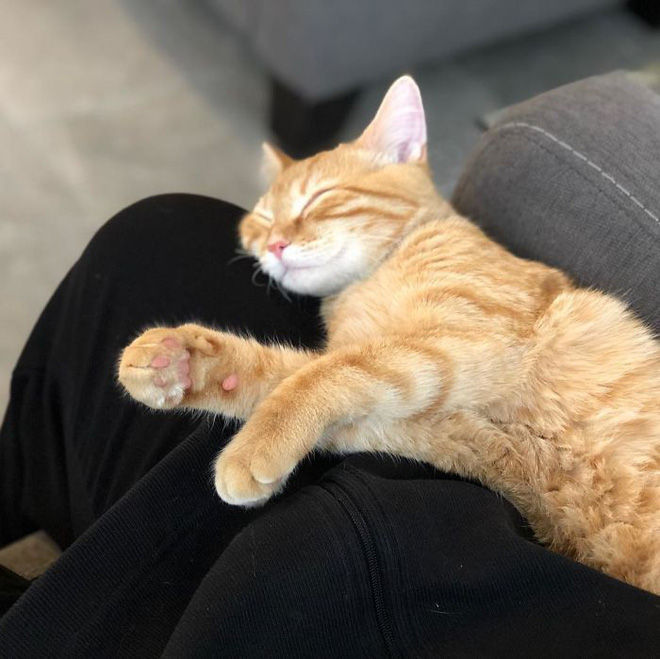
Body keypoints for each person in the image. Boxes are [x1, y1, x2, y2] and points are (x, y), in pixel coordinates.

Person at [1, 73, 659, 656]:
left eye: (315, 205)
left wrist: (296, 401)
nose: (278, 241)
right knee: (152, 240)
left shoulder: (444, 248)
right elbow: (441, 430)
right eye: (263, 225)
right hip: (559, 516)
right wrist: (233, 375)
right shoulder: (355, 308)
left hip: (618, 512)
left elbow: (477, 361)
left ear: (404, 155)